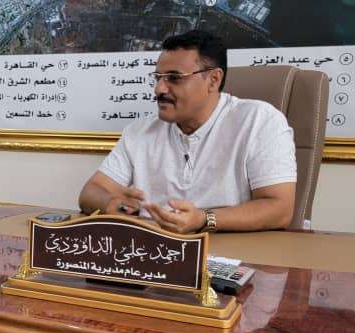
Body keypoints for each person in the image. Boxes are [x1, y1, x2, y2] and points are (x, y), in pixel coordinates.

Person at [78, 30, 297, 234]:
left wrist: (203, 219)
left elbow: (280, 209)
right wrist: (110, 202)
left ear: (213, 80)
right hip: (153, 249)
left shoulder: (259, 120)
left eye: (174, 78)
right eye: (158, 77)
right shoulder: (140, 131)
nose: (159, 89)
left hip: (230, 249)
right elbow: (91, 191)